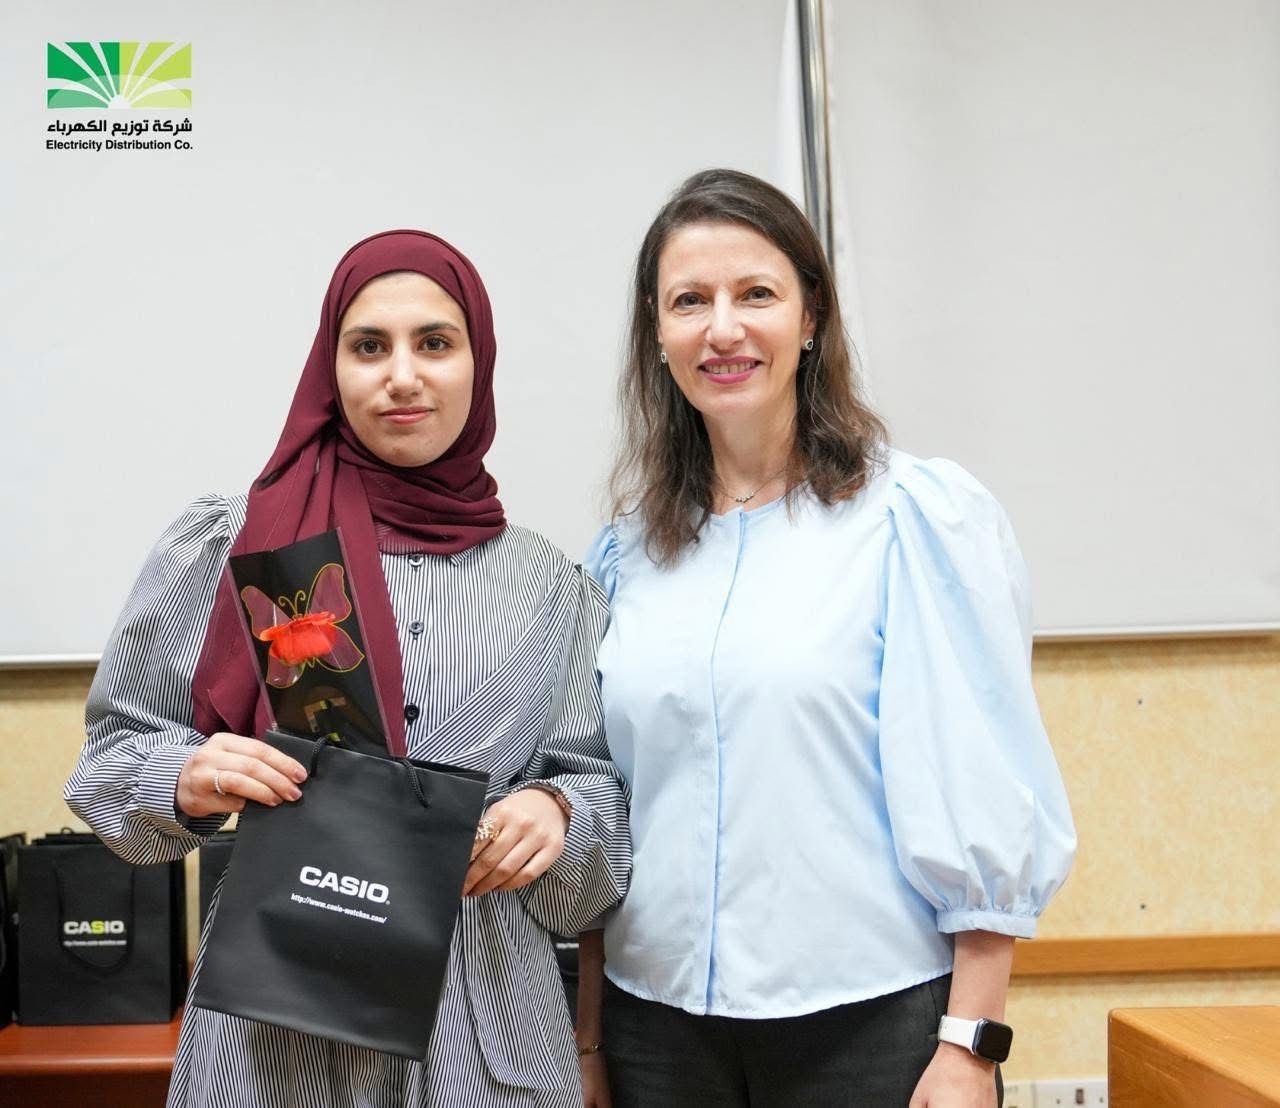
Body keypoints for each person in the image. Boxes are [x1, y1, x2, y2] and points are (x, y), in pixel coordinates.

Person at [66, 229, 630, 1108]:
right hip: (277, 1028)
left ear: (478, 363)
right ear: (330, 369)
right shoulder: (237, 541)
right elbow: (106, 772)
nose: (402, 376)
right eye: (369, 346)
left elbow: (603, 826)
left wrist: (559, 814)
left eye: (434, 343)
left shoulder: (552, 586)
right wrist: (185, 777)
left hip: (482, 1036)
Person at [579, 169, 1077, 1108]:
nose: (723, 329)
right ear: (657, 331)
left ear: (811, 317)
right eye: (690, 301)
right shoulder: (625, 556)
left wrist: (970, 1047)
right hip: (657, 1034)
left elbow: (979, 777)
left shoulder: (911, 520)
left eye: (755, 294)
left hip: (868, 1028)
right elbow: (607, 802)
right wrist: (591, 1040)